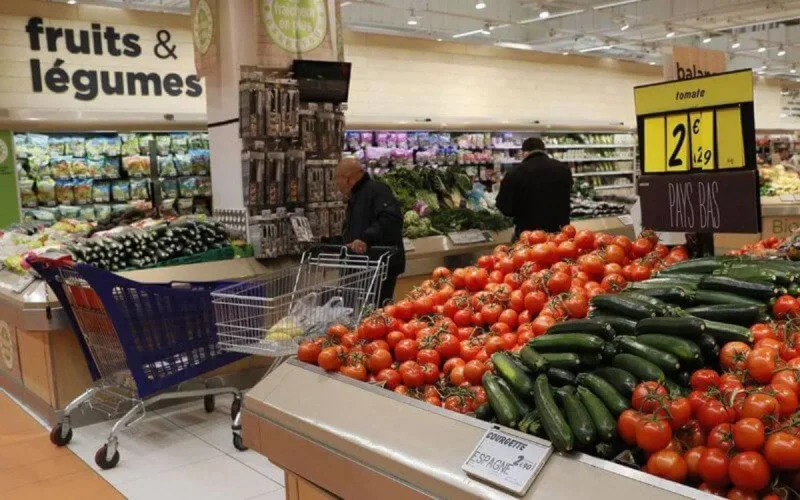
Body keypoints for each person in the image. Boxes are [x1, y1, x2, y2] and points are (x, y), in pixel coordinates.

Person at [335, 157, 405, 305]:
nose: (337, 185)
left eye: (337, 179)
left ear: (347, 178)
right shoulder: (359, 195)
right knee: (363, 311)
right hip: (365, 265)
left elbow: (391, 219)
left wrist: (366, 239)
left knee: (376, 310)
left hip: (379, 265)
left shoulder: (376, 190)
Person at [495, 137, 573, 238]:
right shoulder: (564, 169)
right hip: (560, 233)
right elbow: (567, 193)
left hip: (529, 235)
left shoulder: (515, 173)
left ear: (523, 153)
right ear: (545, 150)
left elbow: (505, 207)